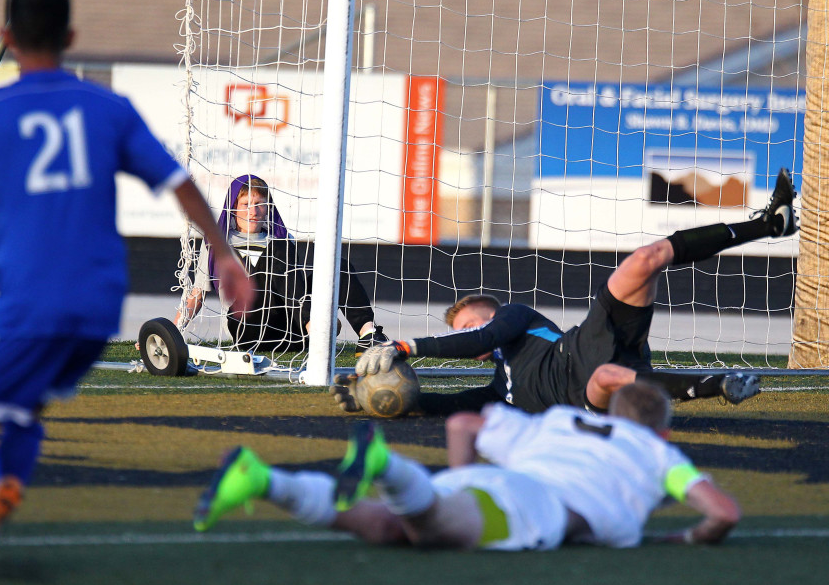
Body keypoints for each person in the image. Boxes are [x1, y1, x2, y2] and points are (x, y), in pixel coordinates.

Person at [0, 0, 253, 576]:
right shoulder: (107, 108)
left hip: (31, 303)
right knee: (22, 411)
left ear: (8, 40)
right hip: (98, 307)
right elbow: (177, 184)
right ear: (70, 39)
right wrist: (223, 253)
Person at [339, 171, 798, 416]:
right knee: (606, 380)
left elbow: (480, 340)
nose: (477, 330)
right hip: (587, 390)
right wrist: (372, 398)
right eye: (465, 326)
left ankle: (767, 224)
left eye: (480, 320)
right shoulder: (501, 393)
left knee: (645, 259)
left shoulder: (517, 319)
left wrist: (403, 345)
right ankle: (721, 385)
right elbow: (440, 404)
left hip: (588, 340)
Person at [195, 382, 740, 550]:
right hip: (534, 507)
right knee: (429, 530)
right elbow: (723, 512)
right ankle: (384, 463)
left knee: (393, 529)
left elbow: (462, 426)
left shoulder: (561, 420)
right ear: (663, 431)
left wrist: (456, 477)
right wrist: (691, 539)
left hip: (491, 481)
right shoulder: (658, 454)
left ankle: (263, 479)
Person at [178, 173, 388, 353]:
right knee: (277, 249)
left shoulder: (281, 239)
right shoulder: (217, 243)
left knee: (336, 265)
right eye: (246, 204)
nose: (253, 211)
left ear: (268, 208)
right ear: (233, 208)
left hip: (291, 328)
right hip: (248, 325)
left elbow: (293, 287)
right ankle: (316, 326)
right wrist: (172, 330)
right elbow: (198, 294)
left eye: (259, 204)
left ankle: (367, 334)